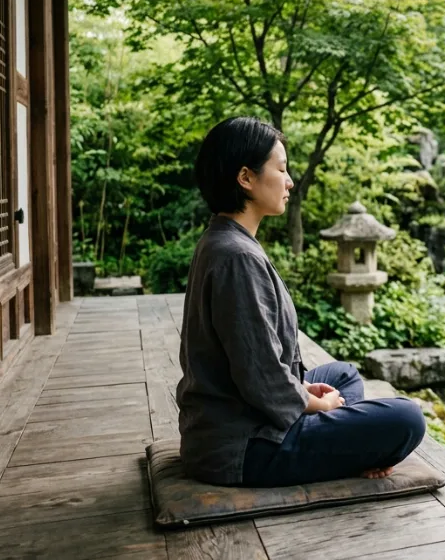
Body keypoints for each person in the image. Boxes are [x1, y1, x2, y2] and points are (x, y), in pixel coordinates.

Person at [175, 116, 425, 487]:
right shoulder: (237, 256)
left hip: (240, 415)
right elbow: (259, 376)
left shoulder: (225, 240)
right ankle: (340, 440)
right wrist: (315, 404)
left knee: (343, 375)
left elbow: (257, 367)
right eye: (281, 169)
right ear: (245, 178)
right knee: (407, 418)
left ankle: (334, 435)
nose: (290, 181)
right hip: (240, 447)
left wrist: (304, 392)